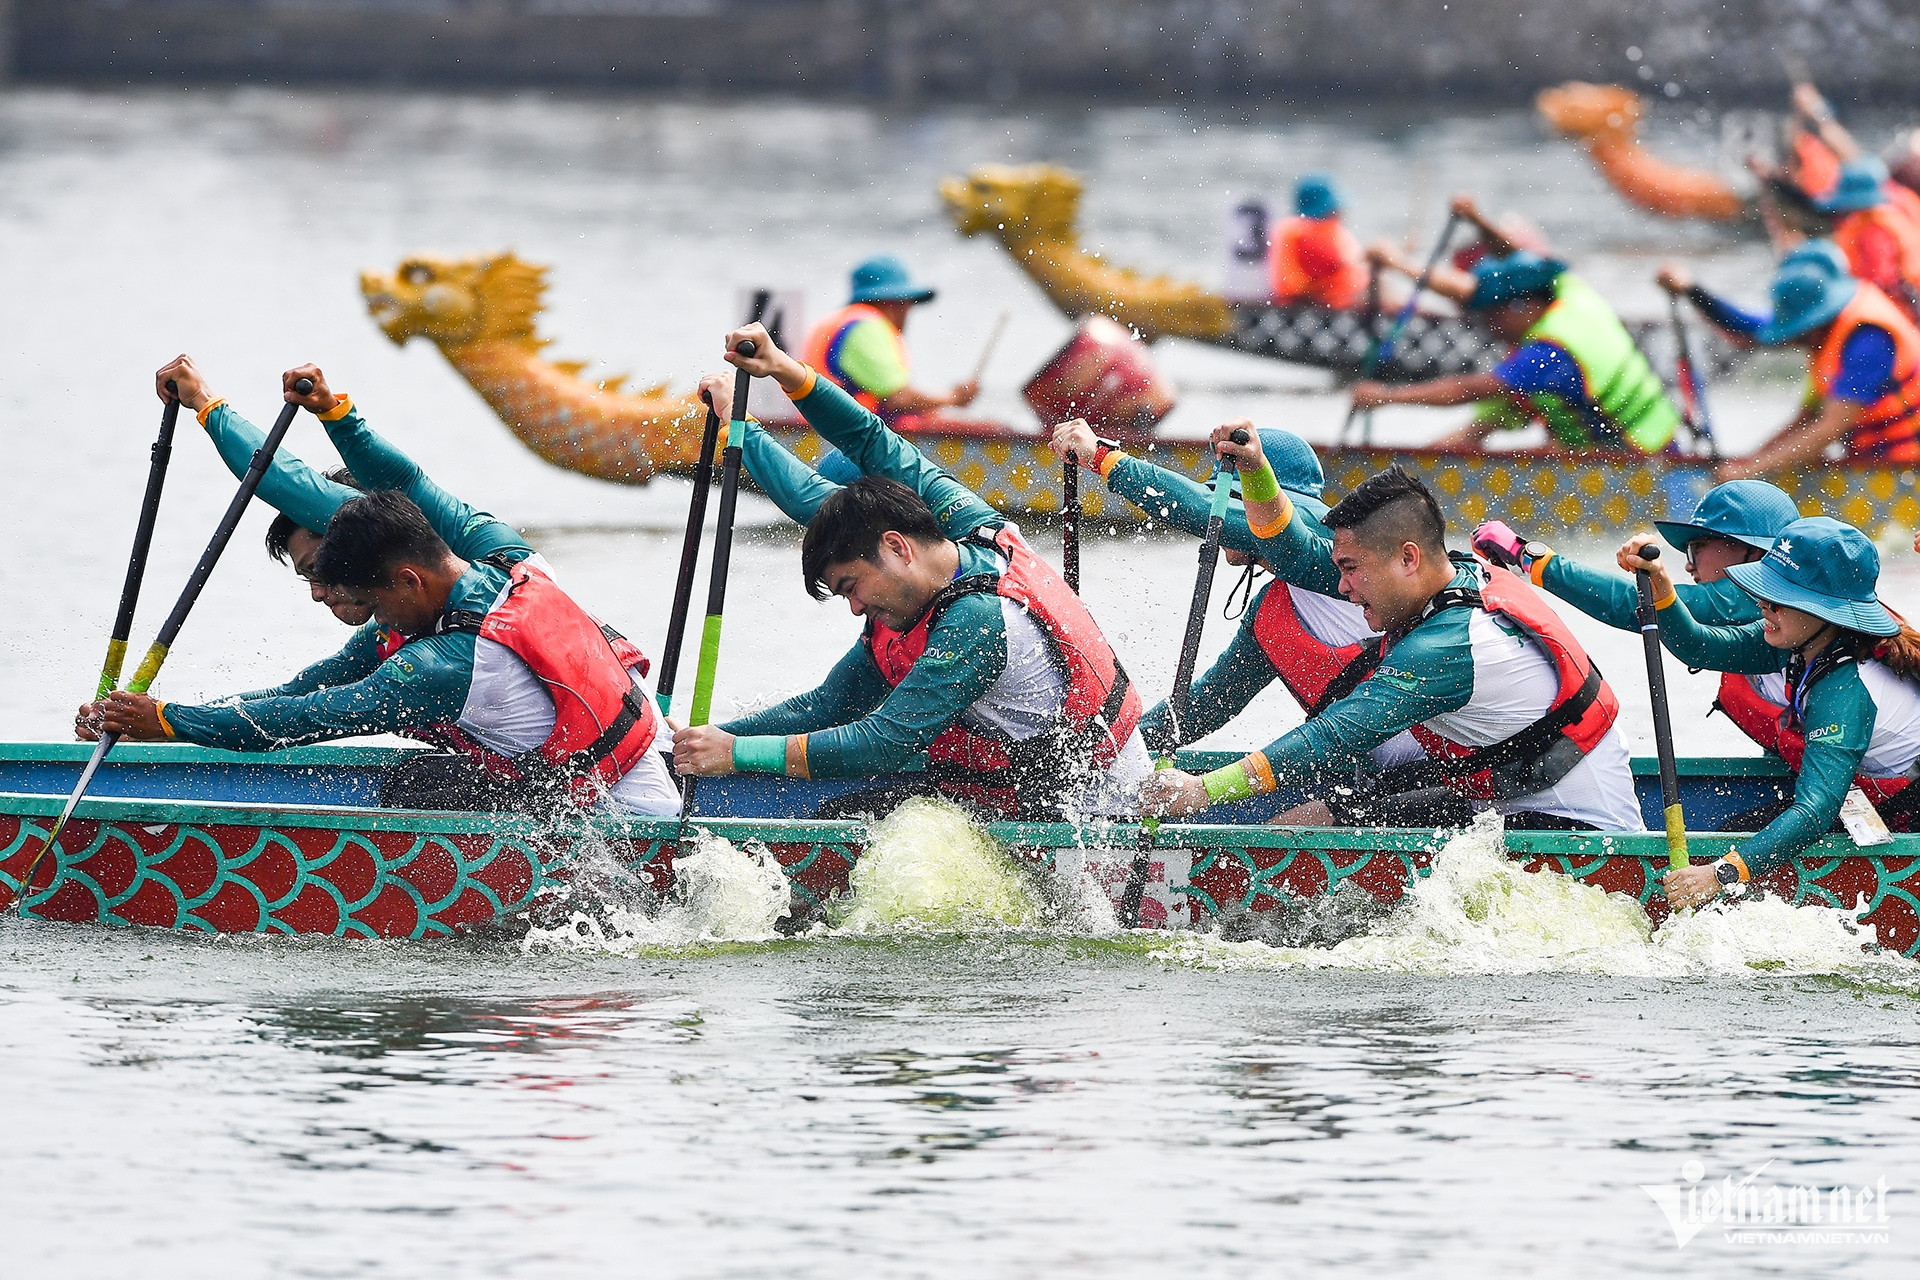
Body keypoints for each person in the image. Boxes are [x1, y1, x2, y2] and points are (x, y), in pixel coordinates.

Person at [82, 388, 676, 817]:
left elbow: (302, 720)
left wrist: (171, 722)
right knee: (416, 782)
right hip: (603, 771)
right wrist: (338, 416)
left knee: (415, 790)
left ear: (409, 582)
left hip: (625, 820)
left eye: (370, 601)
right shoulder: (505, 558)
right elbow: (305, 686)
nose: (370, 619)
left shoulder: (440, 666)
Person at [669, 323, 1149, 821]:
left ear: (896, 546)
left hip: (1092, 817)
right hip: (1006, 788)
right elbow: (829, 706)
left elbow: (882, 743)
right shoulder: (939, 544)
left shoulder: (979, 621)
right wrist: (777, 376)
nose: (854, 608)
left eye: (851, 588)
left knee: (853, 811)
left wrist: (736, 754)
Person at [1140, 437, 1644, 833]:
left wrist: (1205, 791)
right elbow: (1284, 547)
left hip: (1571, 826)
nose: (1341, 587)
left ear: (1408, 558)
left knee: (1316, 819)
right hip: (1498, 796)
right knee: (1315, 818)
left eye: (1352, 570)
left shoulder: (1446, 646)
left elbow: (1335, 734)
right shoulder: (1446, 583)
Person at [1046, 418, 1421, 771]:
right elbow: (1201, 708)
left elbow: (1208, 514)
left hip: (1439, 769)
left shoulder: (1335, 560)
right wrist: (1095, 750)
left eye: (1239, 503)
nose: (1224, 521)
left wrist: (1104, 458)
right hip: (1372, 780)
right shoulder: (1270, 614)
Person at [1625, 517, 1920, 909]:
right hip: (1884, 795)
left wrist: (1719, 875)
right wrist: (1662, 590)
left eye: (1776, 597)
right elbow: (1697, 646)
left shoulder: (1845, 691)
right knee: (1737, 833)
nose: (1762, 603)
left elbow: (1815, 812)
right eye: (1763, 590)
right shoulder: (1803, 638)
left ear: (1823, 610)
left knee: (1736, 849)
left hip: (1910, 804)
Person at [1356, 196, 1679, 454]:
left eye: (1490, 316)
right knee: (1486, 426)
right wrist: (1478, 221)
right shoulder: (1569, 291)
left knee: (1518, 424)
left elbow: (1468, 389)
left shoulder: (1547, 354)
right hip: (1659, 442)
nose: (1487, 327)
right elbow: (1520, 260)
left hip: (1640, 461)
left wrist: (1386, 396)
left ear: (1519, 305)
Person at [1662, 251, 1920, 481]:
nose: (1792, 342)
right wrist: (1693, 291)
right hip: (1873, 462)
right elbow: (1806, 418)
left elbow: (1827, 429)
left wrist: (1753, 471)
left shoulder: (1868, 341)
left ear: (1815, 322)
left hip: (1905, 470)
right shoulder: (1830, 323)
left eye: (1797, 334)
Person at [802, 254, 978, 422]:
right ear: (893, 302)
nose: (908, 311)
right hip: (849, 441)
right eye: (908, 302)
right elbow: (899, 398)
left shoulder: (838, 321)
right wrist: (953, 398)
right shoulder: (867, 327)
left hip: (822, 428)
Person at [1268, 173, 1369, 311]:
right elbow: (1334, 264)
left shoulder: (1306, 231)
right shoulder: (1304, 235)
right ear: (1326, 210)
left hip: (1335, 306)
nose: (1341, 213)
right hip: (1325, 312)